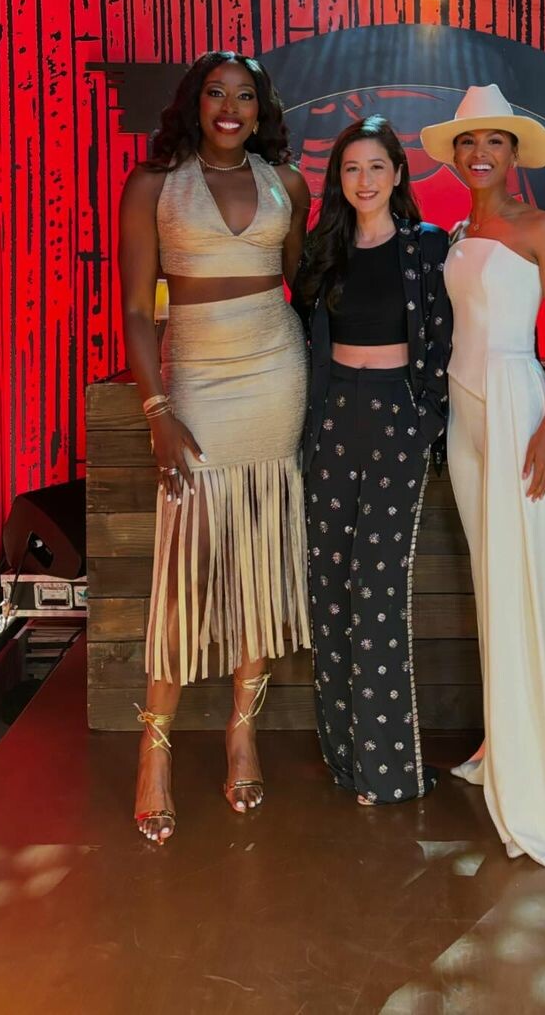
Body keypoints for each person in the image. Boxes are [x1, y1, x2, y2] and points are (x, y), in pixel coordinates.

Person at [118, 51, 311, 843]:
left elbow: (301, 284)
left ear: (261, 109)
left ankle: (242, 731)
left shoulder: (288, 184)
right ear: (195, 104)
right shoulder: (153, 185)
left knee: (260, 555)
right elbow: (137, 311)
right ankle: (155, 748)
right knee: (187, 565)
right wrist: (157, 406)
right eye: (216, 93)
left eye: (245, 95)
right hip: (196, 377)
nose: (230, 107)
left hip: (276, 373)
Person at [419, 85, 545, 865]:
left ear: (514, 153)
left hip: (518, 406)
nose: (478, 153)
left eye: (493, 141)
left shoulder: (541, 228)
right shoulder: (458, 232)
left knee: (523, 583)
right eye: (467, 142)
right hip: (464, 413)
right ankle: (499, 739)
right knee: (491, 581)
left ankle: (535, 772)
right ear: (455, 155)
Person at [292, 116, 453, 805]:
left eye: (376, 167)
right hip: (332, 418)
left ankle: (386, 773)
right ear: (339, 177)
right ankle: (345, 758)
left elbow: (444, 338)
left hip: (397, 416)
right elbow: (300, 335)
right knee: (328, 588)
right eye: (352, 168)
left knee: (377, 589)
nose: (364, 180)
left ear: (398, 174)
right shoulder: (323, 250)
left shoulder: (426, 247)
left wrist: (426, 419)